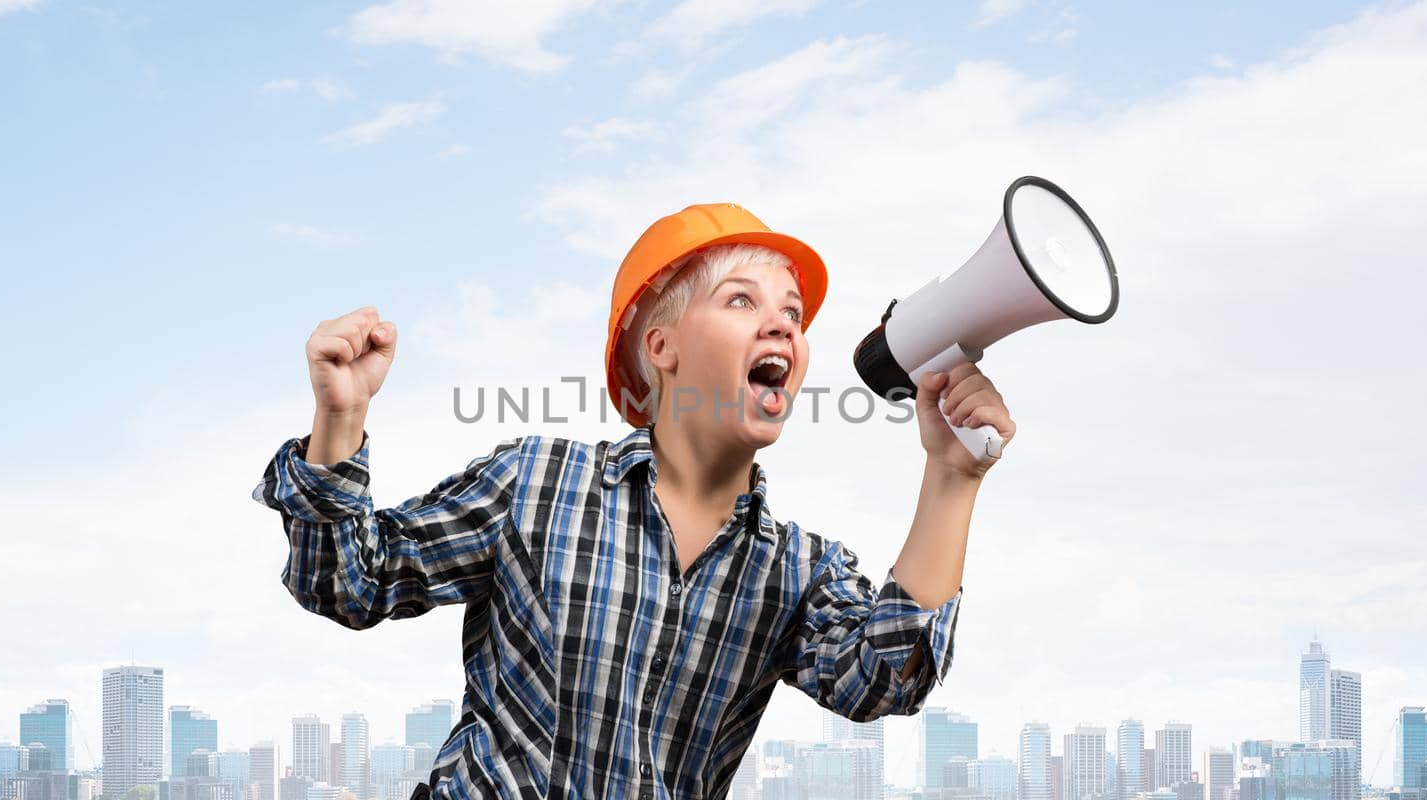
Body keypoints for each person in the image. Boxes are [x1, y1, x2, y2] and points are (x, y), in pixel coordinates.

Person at [251, 203, 1015, 800]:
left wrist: (952, 478)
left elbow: (886, 679)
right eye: (742, 300)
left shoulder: (799, 572)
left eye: (792, 312)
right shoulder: (537, 486)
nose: (782, 321)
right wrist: (340, 419)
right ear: (662, 348)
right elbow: (347, 583)